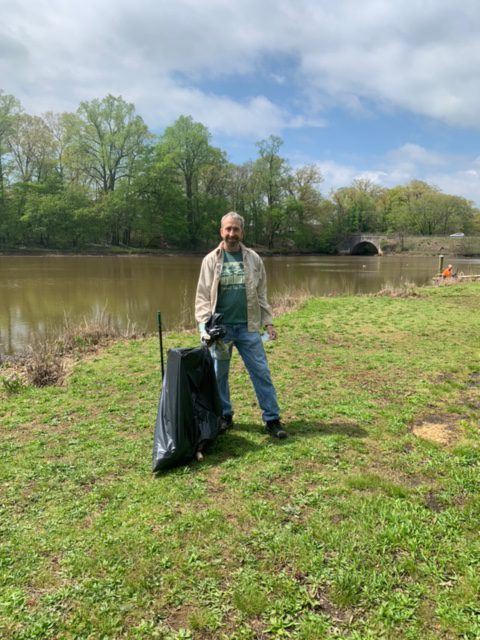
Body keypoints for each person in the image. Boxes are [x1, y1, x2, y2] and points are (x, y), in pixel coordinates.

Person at [195, 212, 288, 439]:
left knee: (261, 372)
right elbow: (202, 297)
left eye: (235, 229)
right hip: (222, 331)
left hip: (248, 329)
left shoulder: (254, 259)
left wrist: (268, 322)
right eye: (227, 229)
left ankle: (272, 419)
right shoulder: (210, 260)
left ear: (242, 232)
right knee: (219, 376)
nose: (231, 234)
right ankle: (224, 416)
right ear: (221, 231)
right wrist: (204, 327)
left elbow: (261, 294)